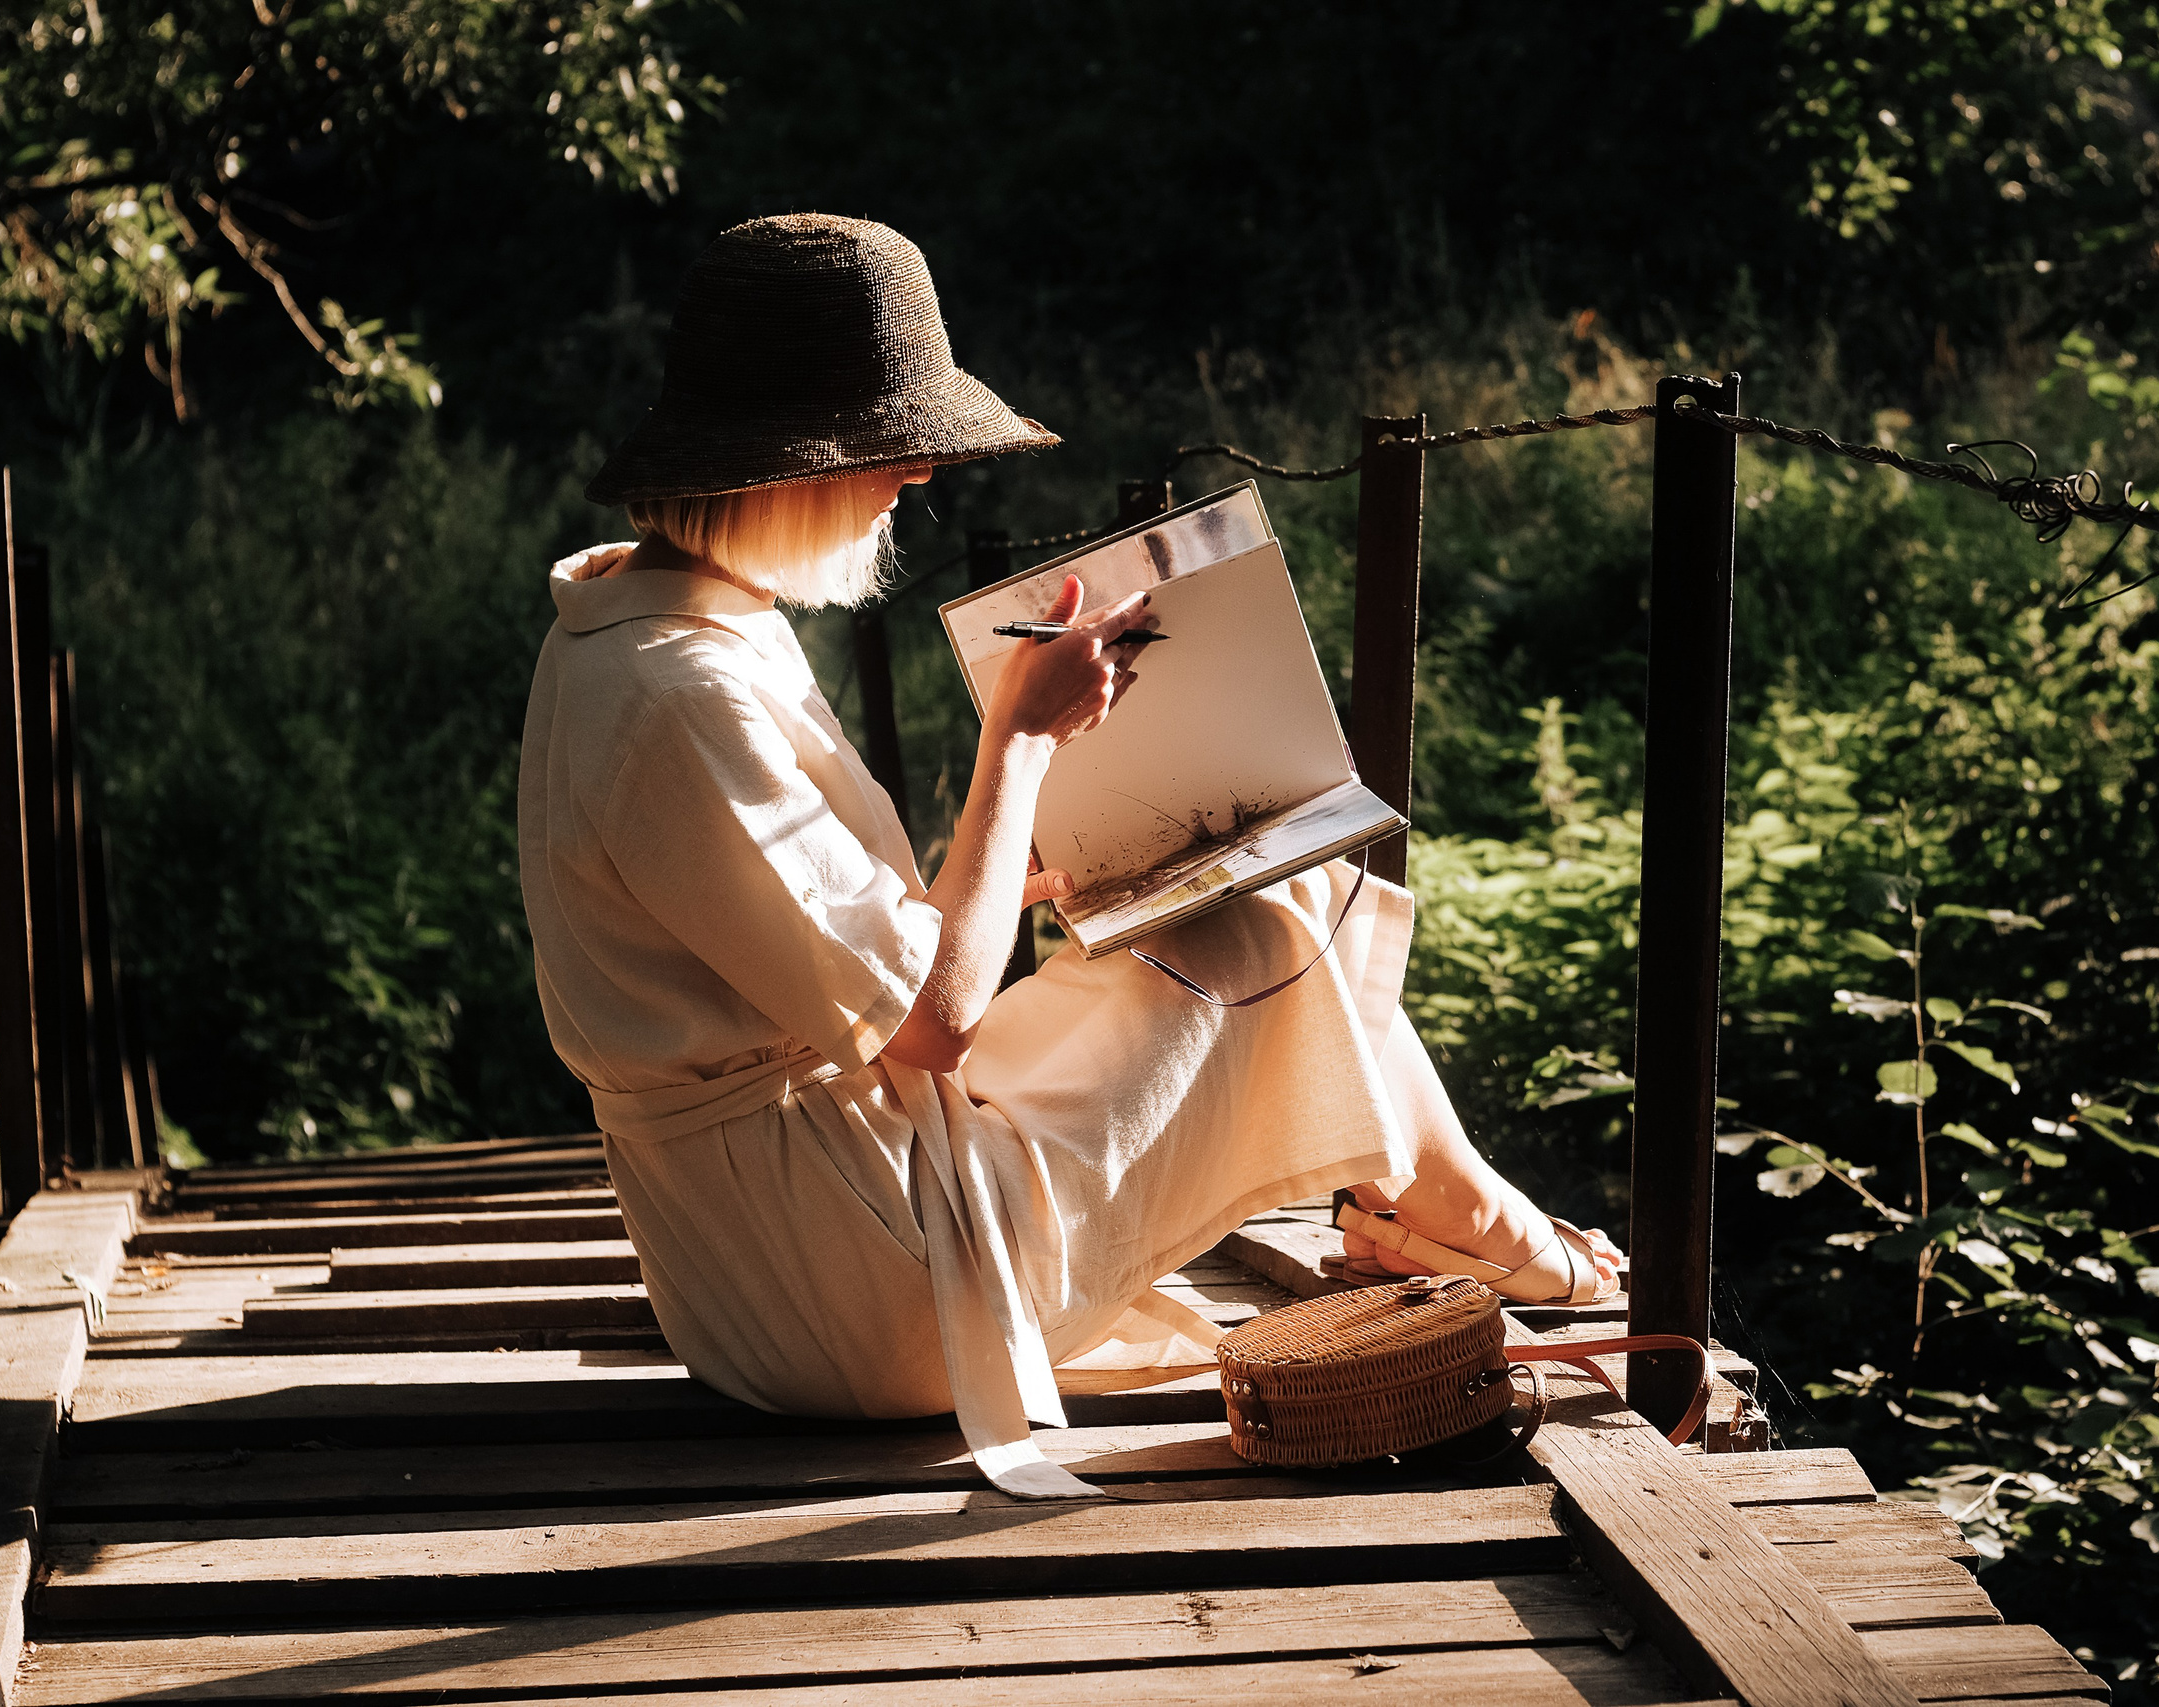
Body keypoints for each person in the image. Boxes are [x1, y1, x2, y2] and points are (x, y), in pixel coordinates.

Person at [518, 213, 1620, 1498]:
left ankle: (1452, 1208)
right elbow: (930, 1021)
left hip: (793, 1233)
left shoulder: (650, 630)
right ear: (787, 457)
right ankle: (1480, 1224)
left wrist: (1014, 877)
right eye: (891, 445)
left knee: (1255, 886)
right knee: (1270, 922)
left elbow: (836, 966)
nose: (917, 478)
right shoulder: (679, 689)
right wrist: (1019, 747)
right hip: (857, 1282)